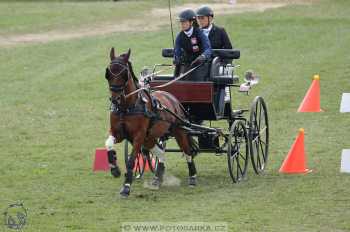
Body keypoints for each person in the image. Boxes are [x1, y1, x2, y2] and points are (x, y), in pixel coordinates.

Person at [173, 9, 212, 78]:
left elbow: (208, 49)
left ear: (191, 22)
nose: (182, 24)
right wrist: (176, 59)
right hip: (187, 65)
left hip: (200, 64)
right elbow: (177, 52)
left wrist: (203, 57)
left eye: (184, 22)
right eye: (181, 22)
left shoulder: (200, 33)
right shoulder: (179, 36)